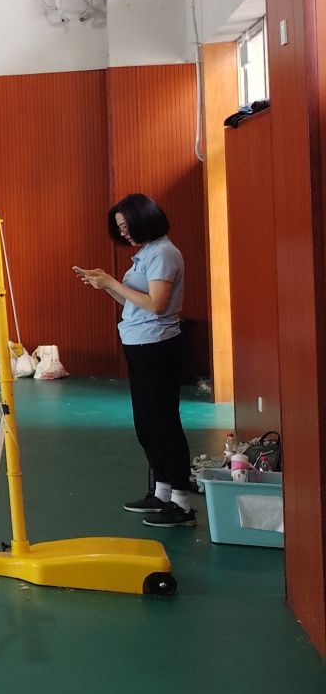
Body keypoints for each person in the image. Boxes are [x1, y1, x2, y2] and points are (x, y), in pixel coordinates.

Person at [75, 193, 192, 528]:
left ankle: (181, 503)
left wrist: (112, 282)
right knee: (146, 424)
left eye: (126, 226)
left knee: (164, 423)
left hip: (157, 346)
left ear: (144, 219)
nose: (123, 232)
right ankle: (161, 492)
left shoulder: (164, 253)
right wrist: (104, 285)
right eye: (120, 228)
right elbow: (133, 302)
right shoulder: (145, 253)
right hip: (137, 343)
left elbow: (156, 304)